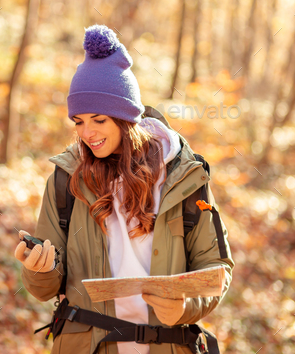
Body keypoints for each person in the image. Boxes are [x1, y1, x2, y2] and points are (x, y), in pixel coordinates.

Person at [14, 24, 234, 354]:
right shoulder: (66, 179)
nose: (87, 132)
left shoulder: (185, 177)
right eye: (78, 121)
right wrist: (39, 269)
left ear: (125, 117)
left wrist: (186, 306)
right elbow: (45, 289)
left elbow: (217, 268)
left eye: (98, 119)